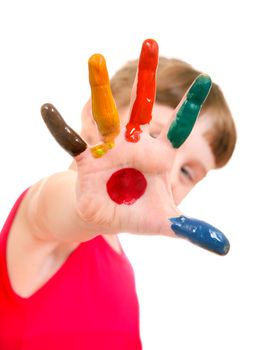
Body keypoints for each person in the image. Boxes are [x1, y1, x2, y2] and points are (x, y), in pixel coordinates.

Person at [0, 39, 236, 350]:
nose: (166, 168)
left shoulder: (119, 262)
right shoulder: (47, 219)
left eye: (188, 172)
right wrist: (82, 210)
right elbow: (54, 211)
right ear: (92, 116)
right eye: (153, 135)